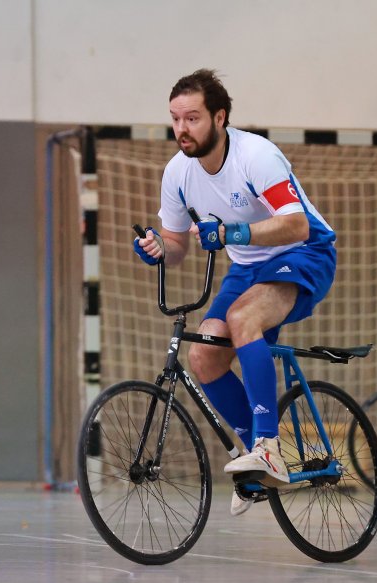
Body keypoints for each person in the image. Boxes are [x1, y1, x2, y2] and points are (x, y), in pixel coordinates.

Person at [133, 69, 336, 516]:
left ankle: (268, 445)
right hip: (246, 267)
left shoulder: (255, 155)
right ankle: (256, 460)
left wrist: (234, 231)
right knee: (204, 355)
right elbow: (178, 245)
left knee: (244, 318)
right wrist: (156, 248)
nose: (182, 129)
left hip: (305, 253)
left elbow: (297, 223)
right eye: (175, 119)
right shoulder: (177, 173)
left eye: (193, 118)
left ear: (220, 118)